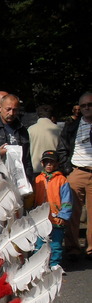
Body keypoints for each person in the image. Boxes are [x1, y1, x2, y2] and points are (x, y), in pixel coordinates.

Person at [56, 91, 92, 259]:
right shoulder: (72, 127)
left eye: (90, 105)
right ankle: (72, 248)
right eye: (83, 105)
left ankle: (91, 249)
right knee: (71, 213)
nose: (86, 108)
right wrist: (68, 170)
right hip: (77, 171)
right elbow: (62, 148)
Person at [33, 150, 72, 270]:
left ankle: (54, 263)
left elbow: (67, 200)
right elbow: (33, 199)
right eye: (47, 162)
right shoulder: (37, 179)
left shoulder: (62, 180)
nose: (49, 165)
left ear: (57, 164)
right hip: (41, 218)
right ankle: (39, 265)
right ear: (43, 164)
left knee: (56, 243)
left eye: (52, 162)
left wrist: (63, 215)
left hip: (56, 218)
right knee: (39, 243)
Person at [0, 93, 35, 181]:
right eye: (8, 109)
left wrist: (30, 180)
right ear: (0, 108)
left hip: (18, 180)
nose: (11, 113)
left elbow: (27, 159)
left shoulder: (22, 129)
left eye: (15, 110)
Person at [28, 104, 61, 170]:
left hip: (36, 168)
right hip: (53, 169)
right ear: (51, 116)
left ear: (38, 115)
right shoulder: (58, 129)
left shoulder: (30, 130)